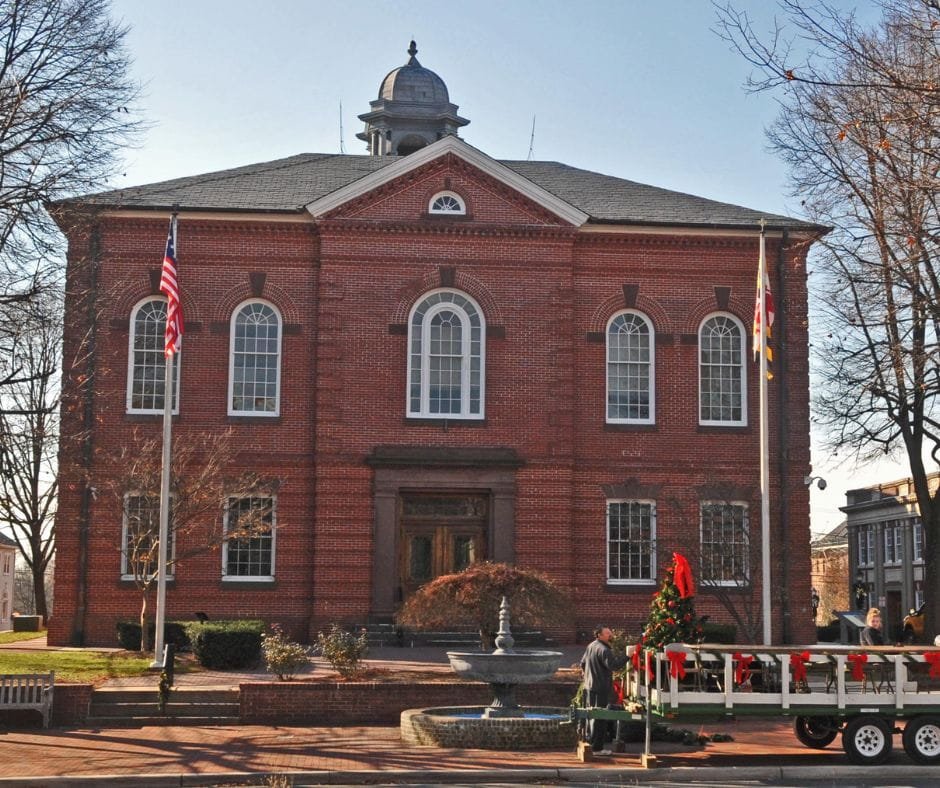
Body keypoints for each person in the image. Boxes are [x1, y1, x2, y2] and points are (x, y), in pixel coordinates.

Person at [580, 625, 628, 756]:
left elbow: (582, 663)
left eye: (610, 632)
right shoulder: (604, 650)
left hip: (589, 686)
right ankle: (597, 748)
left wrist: (586, 675)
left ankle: (591, 743)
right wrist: (627, 656)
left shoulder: (591, 646)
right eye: (607, 633)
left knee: (592, 715)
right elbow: (614, 666)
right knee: (600, 717)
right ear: (599, 635)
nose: (610, 635)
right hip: (600, 687)